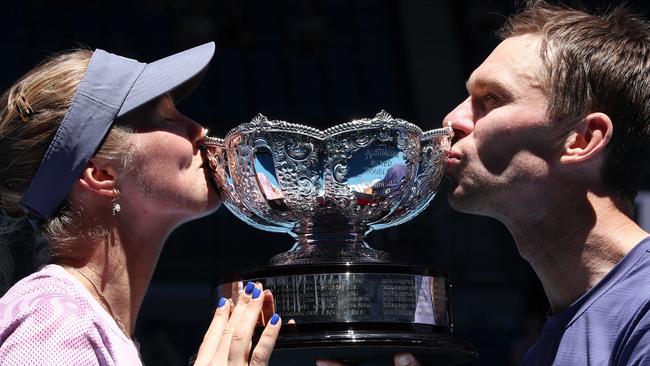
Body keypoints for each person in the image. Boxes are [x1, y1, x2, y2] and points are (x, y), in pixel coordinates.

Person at [0, 43, 282, 365]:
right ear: (101, 173)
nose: (199, 130)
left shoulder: (85, 322)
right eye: (165, 116)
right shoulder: (57, 320)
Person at [442, 0, 650, 364]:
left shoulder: (643, 311)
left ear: (581, 139)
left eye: (490, 99)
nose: (452, 120)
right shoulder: (549, 346)